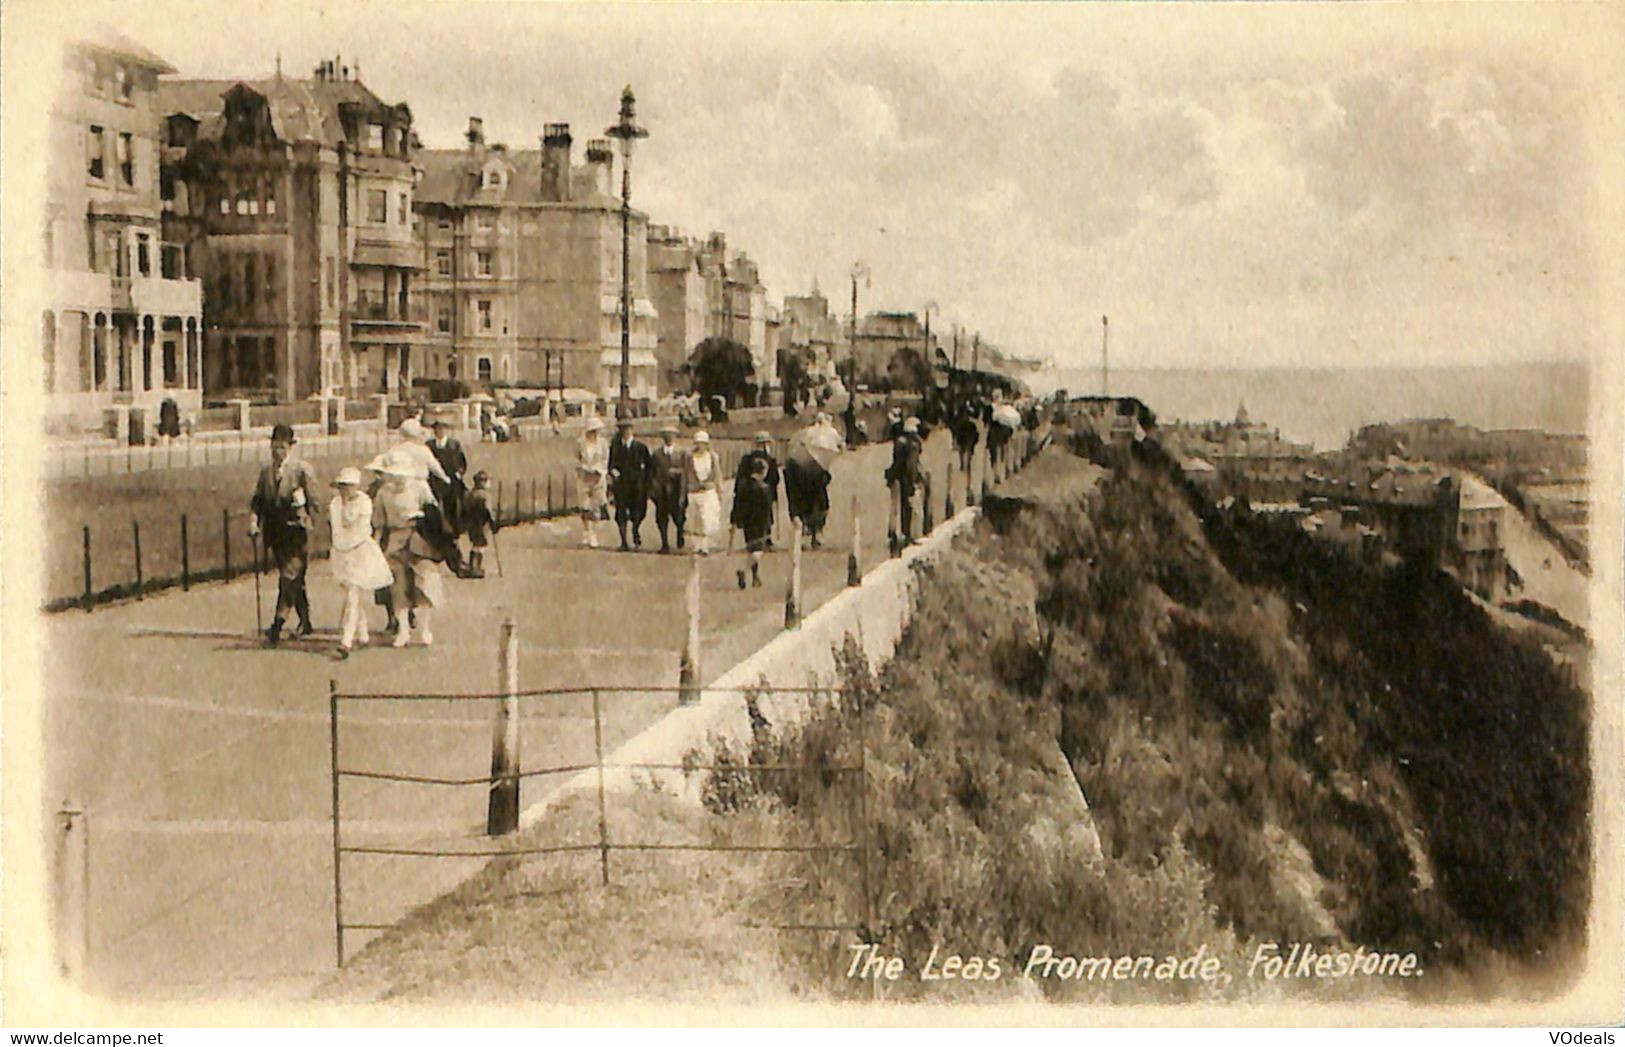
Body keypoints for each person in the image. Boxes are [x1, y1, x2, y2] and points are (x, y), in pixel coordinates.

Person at [249, 424, 320, 646]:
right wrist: (253, 521)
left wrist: (304, 506)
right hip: (276, 533)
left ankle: (277, 625)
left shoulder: (302, 470)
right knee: (293, 578)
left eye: (281, 447)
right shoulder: (266, 472)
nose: (277, 452)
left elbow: (316, 503)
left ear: (291, 447)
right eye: (274, 446)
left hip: (297, 533)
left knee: (288, 577)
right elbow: (258, 500)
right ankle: (306, 621)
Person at [327, 466, 393, 659]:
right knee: (351, 594)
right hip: (342, 552)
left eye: (347, 486)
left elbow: (358, 528)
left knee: (353, 595)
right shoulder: (335, 504)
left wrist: (347, 506)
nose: (344, 490)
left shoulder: (364, 502)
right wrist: (340, 546)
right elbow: (337, 529)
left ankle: (346, 642)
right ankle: (363, 634)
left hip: (360, 551)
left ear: (355, 486)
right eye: (341, 486)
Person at [377, 461, 444, 647]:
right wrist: (376, 547)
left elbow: (434, 514)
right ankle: (403, 631)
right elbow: (379, 524)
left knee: (423, 584)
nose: (398, 479)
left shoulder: (421, 487)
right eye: (394, 475)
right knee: (398, 587)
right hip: (395, 540)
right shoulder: (383, 493)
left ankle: (424, 629)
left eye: (402, 475)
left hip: (419, 538)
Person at [784, 412, 839, 548]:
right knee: (817, 506)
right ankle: (813, 534)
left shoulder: (803, 438)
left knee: (815, 506)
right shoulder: (821, 438)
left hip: (810, 477)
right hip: (808, 478)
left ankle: (810, 534)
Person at [608, 414, 654, 551]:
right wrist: (613, 471)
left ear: (632, 430)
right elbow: (611, 464)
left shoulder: (640, 448)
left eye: (628, 429)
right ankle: (623, 542)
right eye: (623, 429)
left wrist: (646, 483)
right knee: (621, 513)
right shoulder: (615, 448)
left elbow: (649, 466)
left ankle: (635, 530)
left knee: (639, 512)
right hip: (621, 485)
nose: (626, 431)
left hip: (637, 486)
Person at [732, 431, 780, 548]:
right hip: (765, 492)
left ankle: (750, 540)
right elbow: (775, 478)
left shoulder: (746, 459)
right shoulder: (770, 460)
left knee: (750, 517)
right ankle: (766, 539)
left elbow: (740, 478)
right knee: (766, 516)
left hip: (748, 493)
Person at [886, 416, 925, 550]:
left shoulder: (899, 443)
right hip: (906, 479)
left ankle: (894, 533)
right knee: (909, 508)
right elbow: (911, 466)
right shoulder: (913, 445)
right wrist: (913, 481)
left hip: (897, 478)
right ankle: (907, 534)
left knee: (896, 507)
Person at [734, 457, 773, 590]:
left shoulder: (744, 486)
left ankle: (755, 577)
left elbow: (737, 503)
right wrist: (768, 525)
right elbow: (767, 509)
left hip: (747, 523)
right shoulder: (764, 488)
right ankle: (743, 570)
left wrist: (736, 520)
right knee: (758, 552)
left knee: (751, 550)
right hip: (759, 524)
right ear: (763, 471)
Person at [683, 430, 723, 555]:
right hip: (694, 491)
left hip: (708, 491)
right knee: (695, 519)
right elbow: (685, 474)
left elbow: (717, 473)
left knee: (706, 519)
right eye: (698, 443)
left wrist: (719, 489)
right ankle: (697, 545)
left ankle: (705, 546)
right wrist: (684, 491)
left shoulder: (712, 456)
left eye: (703, 443)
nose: (700, 446)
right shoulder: (689, 457)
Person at [650, 423, 689, 553]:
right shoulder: (657, 454)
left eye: (671, 436)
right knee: (661, 517)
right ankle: (664, 543)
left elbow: (686, 471)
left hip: (677, 489)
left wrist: (677, 473)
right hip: (662, 490)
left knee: (679, 516)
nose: (669, 438)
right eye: (666, 436)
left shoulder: (682, 453)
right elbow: (653, 472)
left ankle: (679, 535)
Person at [576, 417, 609, 548]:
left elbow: (605, 459)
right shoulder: (580, 443)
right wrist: (582, 467)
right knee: (584, 506)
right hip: (584, 477)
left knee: (596, 506)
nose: (594, 433)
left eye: (596, 430)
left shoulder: (603, 443)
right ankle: (585, 531)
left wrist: (600, 470)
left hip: (597, 477)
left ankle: (593, 533)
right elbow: (576, 458)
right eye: (592, 430)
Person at [464, 471, 498, 578]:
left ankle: (472, 566)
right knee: (481, 545)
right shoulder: (485, 495)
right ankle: (476, 567)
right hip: (482, 523)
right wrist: (493, 522)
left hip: (471, 523)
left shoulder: (469, 494)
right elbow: (488, 510)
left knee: (475, 544)